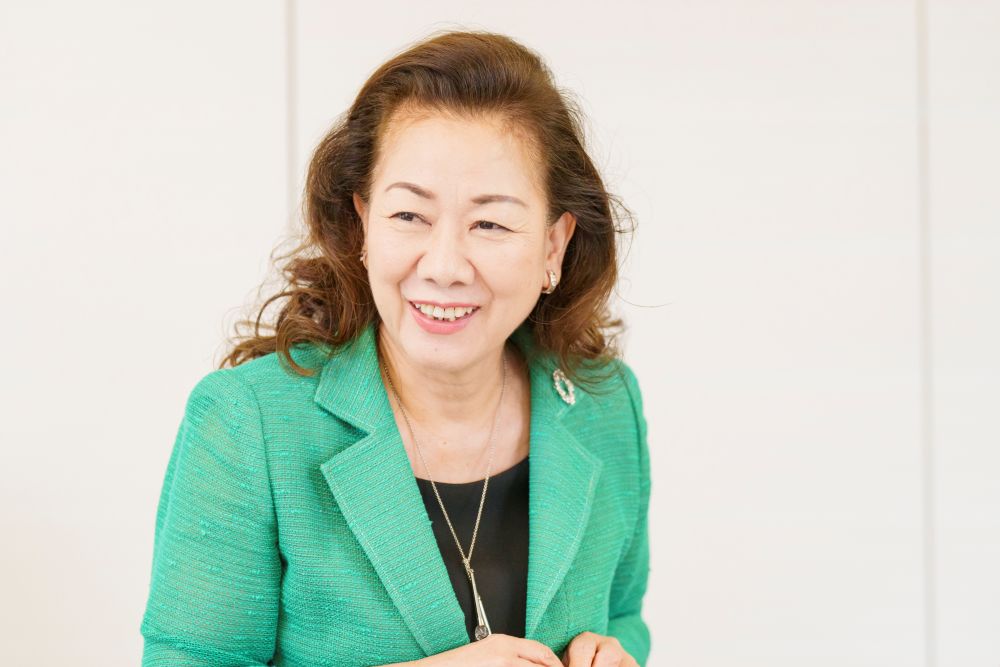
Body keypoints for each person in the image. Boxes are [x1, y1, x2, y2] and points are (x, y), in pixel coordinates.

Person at [140, 28, 651, 667]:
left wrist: (615, 653)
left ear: (554, 245)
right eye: (409, 215)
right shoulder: (247, 424)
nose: (444, 266)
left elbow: (624, 614)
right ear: (362, 223)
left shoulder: (605, 404)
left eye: (490, 223)